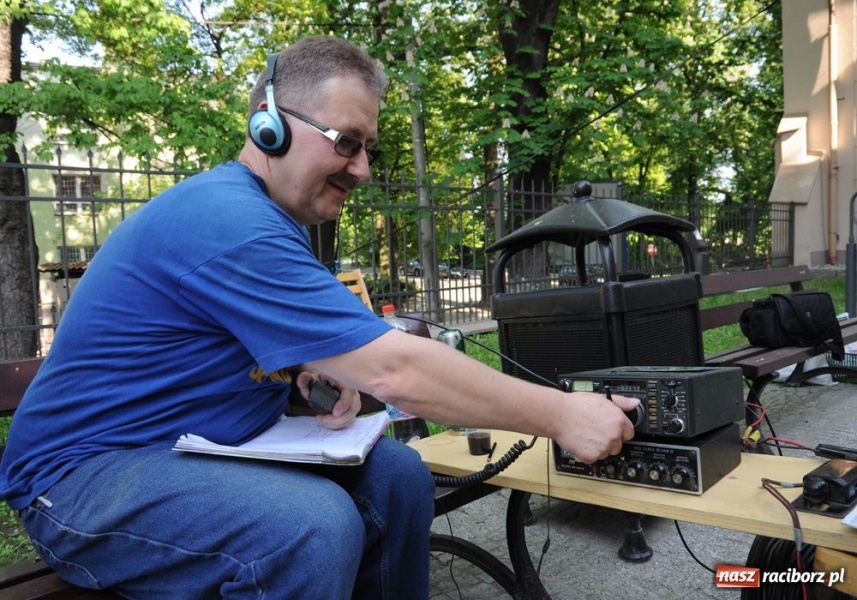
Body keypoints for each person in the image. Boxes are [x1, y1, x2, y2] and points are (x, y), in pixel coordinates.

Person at [0, 35, 638, 599]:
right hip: (78, 478)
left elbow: (228, 348)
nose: (361, 168)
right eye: (346, 142)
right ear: (267, 127)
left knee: (398, 474)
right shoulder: (228, 222)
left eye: (368, 149)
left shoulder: (270, 223)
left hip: (190, 452)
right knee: (307, 528)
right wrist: (562, 414)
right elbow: (394, 369)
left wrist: (306, 374)